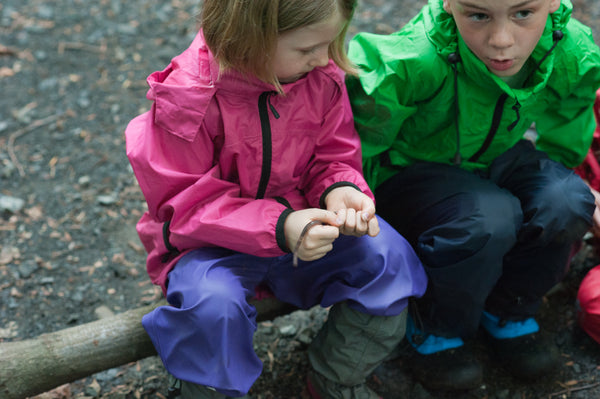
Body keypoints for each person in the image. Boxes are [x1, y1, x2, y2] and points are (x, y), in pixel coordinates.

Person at [125, 0, 427, 398]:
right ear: (251, 36)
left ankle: (335, 377)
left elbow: (332, 154)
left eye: (330, 43)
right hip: (207, 247)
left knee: (387, 260)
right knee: (211, 309)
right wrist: (281, 225)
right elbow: (184, 204)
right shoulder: (187, 98)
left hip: (303, 229)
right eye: (307, 49)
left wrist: (341, 190)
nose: (323, 59)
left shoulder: (319, 77)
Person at [346, 0, 600, 392]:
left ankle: (508, 309)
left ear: (552, 3)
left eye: (522, 14)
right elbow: (356, 140)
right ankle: (435, 325)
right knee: (488, 217)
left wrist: (560, 169)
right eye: (478, 15)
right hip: (414, 168)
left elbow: (571, 113)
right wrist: (366, 218)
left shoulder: (564, 46)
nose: (501, 41)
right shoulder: (416, 58)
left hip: (495, 154)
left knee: (565, 199)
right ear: (449, 4)